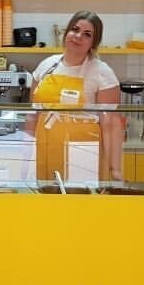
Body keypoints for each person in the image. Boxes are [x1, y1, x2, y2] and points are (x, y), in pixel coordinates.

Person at [29, 11, 124, 182]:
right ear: (67, 33)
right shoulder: (46, 65)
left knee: (79, 197)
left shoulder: (102, 72)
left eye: (87, 34)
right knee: (46, 195)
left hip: (82, 154)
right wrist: (26, 151)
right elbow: (33, 115)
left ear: (93, 43)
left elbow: (111, 125)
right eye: (75, 29)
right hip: (44, 148)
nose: (78, 36)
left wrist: (115, 169)